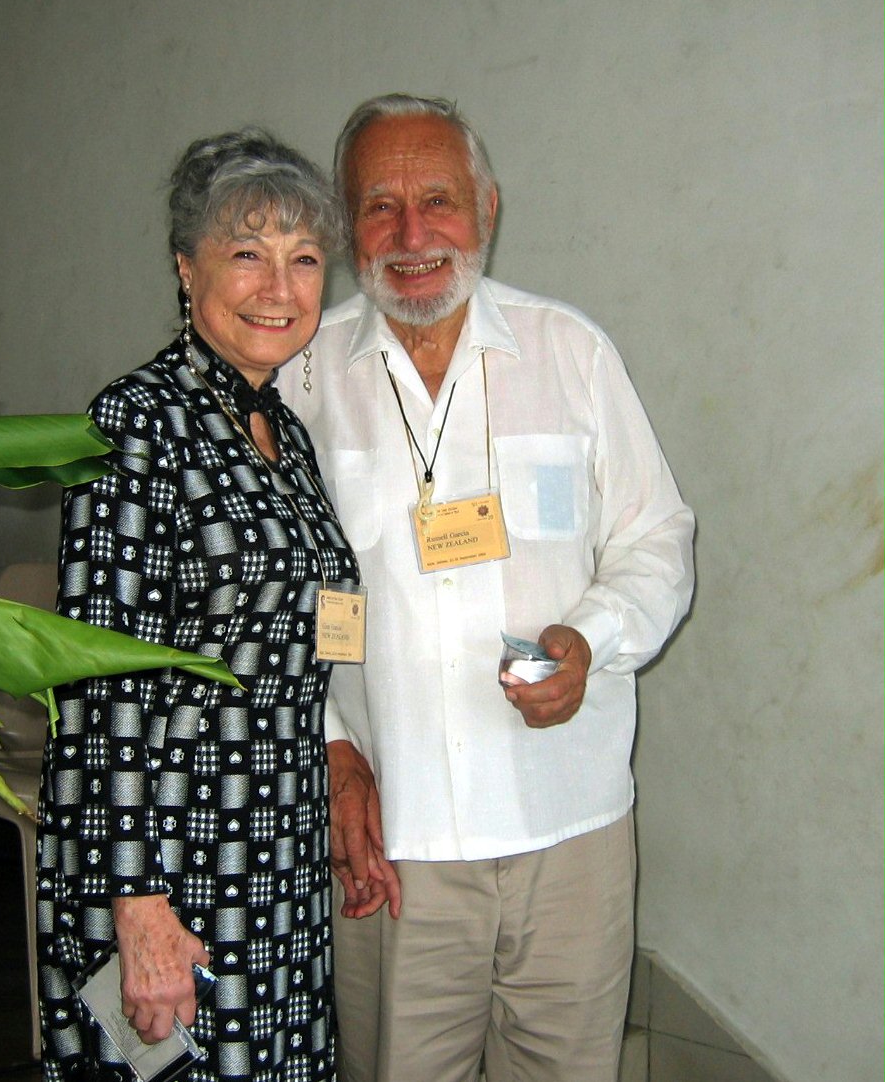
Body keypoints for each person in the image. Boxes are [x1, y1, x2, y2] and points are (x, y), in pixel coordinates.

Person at [279, 94, 696, 1082]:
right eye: (380, 206)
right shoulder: (304, 378)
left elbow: (657, 537)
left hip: (572, 827)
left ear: (490, 208)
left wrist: (592, 635)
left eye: (440, 200)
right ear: (345, 227)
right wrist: (335, 758)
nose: (412, 235)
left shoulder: (570, 354)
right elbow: (286, 603)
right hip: (398, 836)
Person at [37, 128, 359, 1082]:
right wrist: (137, 910)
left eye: (304, 259)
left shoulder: (284, 438)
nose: (279, 286)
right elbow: (99, 691)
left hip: (276, 853)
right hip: (170, 861)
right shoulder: (136, 424)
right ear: (186, 268)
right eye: (245, 254)